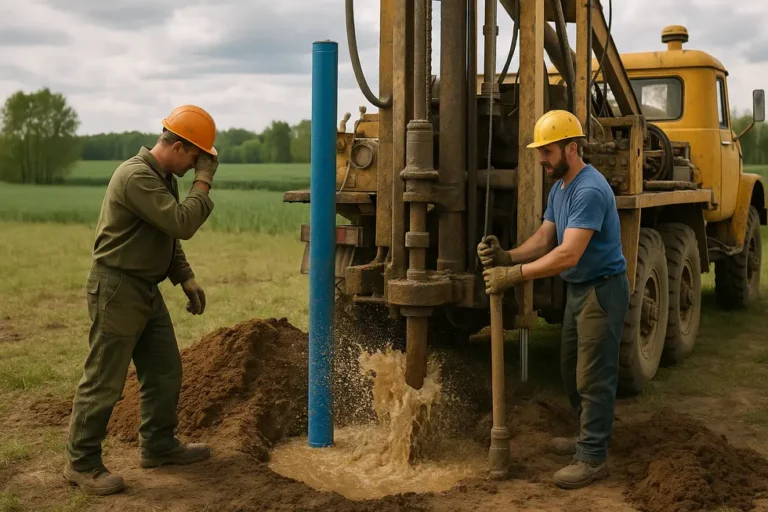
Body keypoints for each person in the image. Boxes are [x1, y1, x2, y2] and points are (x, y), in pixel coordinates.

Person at [63, 105, 220, 495]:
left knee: (165, 369)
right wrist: (203, 183)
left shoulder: (161, 176)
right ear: (180, 147)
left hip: (144, 288)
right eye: (198, 158)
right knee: (104, 379)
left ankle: (159, 445)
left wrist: (184, 277)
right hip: (117, 287)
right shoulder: (136, 176)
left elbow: (164, 234)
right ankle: (81, 464)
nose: (199, 167)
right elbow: (181, 223)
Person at [477, 110, 630, 489]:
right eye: (540, 152)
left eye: (547, 151)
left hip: (602, 289)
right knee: (570, 371)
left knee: (593, 377)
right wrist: (507, 257)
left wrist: (514, 276)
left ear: (571, 148)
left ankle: (593, 456)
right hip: (580, 291)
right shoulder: (560, 187)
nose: (541, 159)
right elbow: (547, 238)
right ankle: (586, 435)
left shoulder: (590, 190)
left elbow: (567, 254)